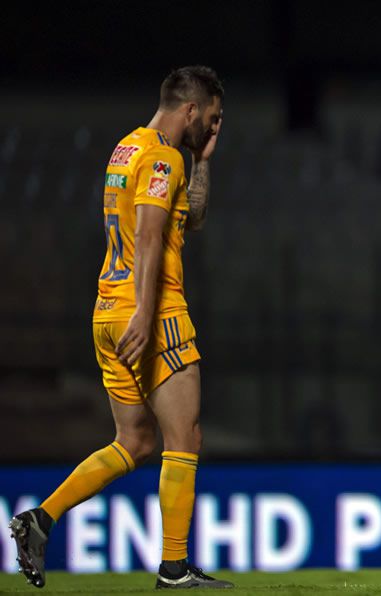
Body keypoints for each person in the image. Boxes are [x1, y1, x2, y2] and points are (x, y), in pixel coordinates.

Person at [8, 66, 231, 590]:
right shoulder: (161, 158)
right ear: (191, 109)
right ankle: (173, 568)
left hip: (108, 313)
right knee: (185, 437)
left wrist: (202, 162)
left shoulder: (127, 149)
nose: (214, 127)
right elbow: (150, 236)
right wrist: (146, 314)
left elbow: (187, 219)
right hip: (152, 314)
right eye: (212, 117)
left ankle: (40, 519)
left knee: (133, 440)